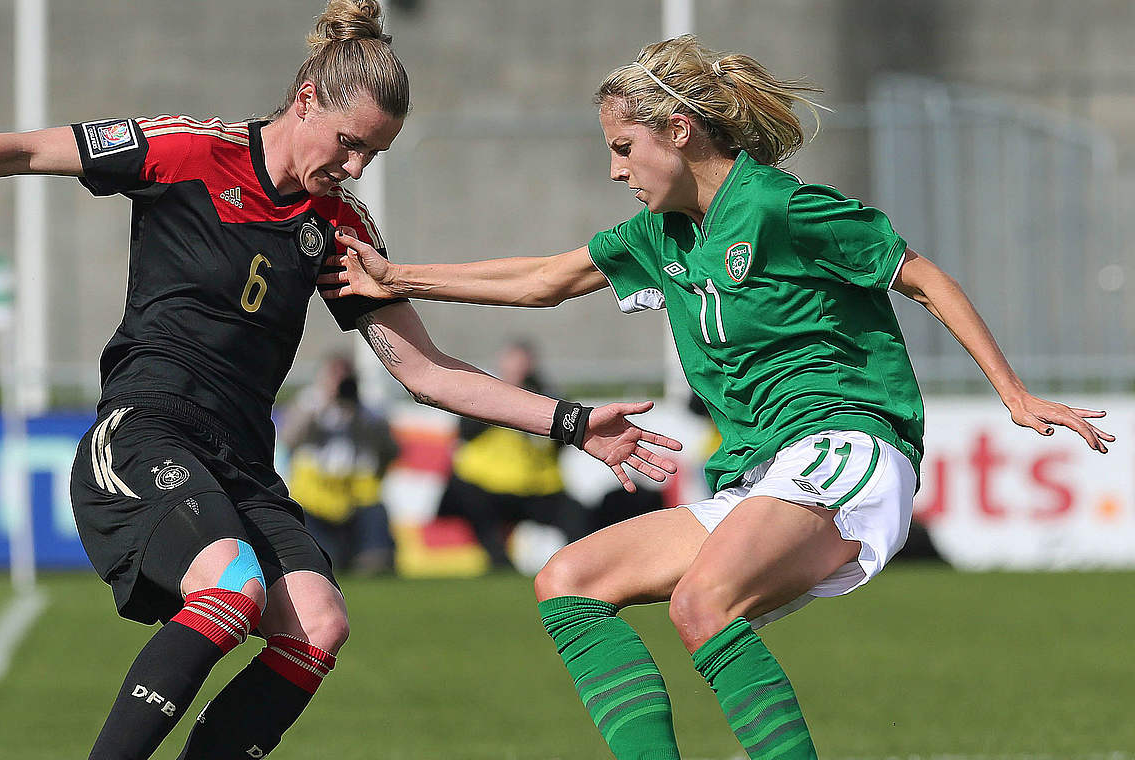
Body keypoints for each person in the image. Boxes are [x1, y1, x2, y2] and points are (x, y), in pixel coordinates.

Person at [0, 3, 681, 758]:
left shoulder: (339, 228)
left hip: (242, 458)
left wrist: (569, 421)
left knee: (318, 623)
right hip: (146, 428)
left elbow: (424, 371)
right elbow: (27, 148)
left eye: (372, 155)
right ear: (306, 100)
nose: (354, 168)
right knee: (230, 580)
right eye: (349, 144)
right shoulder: (187, 149)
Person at [321, 34, 1115, 760]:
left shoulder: (780, 207)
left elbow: (923, 276)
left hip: (849, 444)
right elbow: (545, 281)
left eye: (624, 148)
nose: (615, 170)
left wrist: (1011, 393)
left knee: (704, 605)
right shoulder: (659, 234)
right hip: (763, 471)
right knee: (568, 581)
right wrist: (398, 277)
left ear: (679, 130)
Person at [437, 340, 588, 569]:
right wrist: (506, 400)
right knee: (467, 499)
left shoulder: (548, 396)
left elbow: (565, 440)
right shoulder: (481, 391)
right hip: (488, 484)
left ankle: (579, 566)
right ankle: (499, 561)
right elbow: (465, 432)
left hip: (537, 486)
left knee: (575, 513)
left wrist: (530, 398)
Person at [280, 353, 398, 574]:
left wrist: (361, 415)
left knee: (375, 563)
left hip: (359, 501)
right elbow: (289, 440)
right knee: (324, 564)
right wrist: (323, 404)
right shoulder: (308, 404)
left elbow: (391, 450)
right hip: (314, 502)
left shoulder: (369, 412)